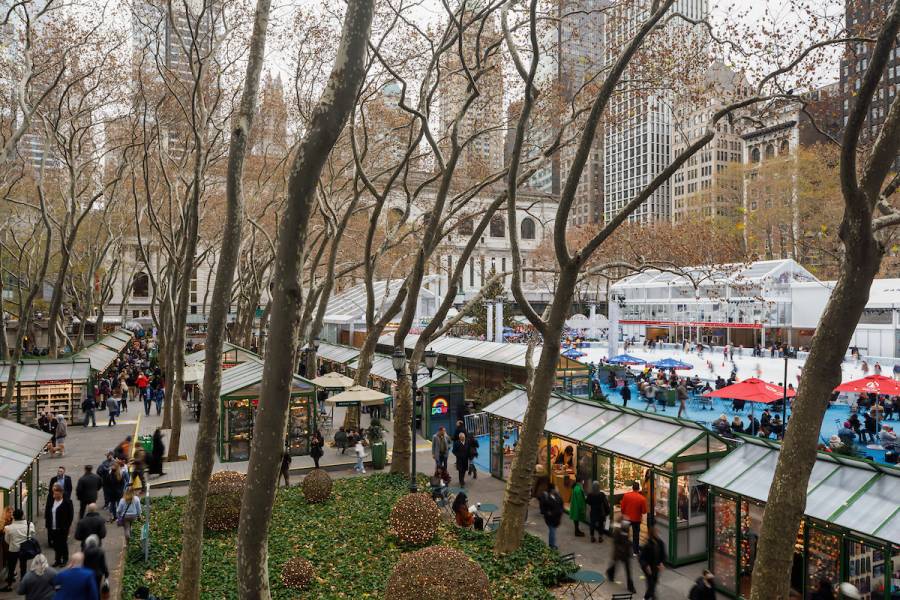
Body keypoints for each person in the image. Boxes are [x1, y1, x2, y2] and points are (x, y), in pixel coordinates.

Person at [1, 508, 33, 590]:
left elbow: (6, 540)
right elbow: (32, 535)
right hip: (25, 549)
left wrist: (13, 544)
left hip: (13, 549)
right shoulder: (30, 525)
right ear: (23, 515)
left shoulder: (8, 528)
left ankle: (9, 585)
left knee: (11, 567)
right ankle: (24, 584)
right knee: (23, 566)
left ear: (13, 517)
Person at [44, 483, 74, 567]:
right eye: (53, 493)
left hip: (62, 528)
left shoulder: (67, 502)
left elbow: (70, 516)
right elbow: (48, 513)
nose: (54, 495)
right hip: (52, 527)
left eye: (56, 493)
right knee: (56, 544)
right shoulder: (51, 501)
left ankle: (64, 559)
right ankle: (57, 560)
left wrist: (67, 527)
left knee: (63, 544)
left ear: (61, 493)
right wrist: (47, 524)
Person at [606, 517, 636, 594]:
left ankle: (630, 585)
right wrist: (622, 549)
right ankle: (610, 572)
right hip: (619, 552)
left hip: (625, 553)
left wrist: (629, 545)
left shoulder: (625, 530)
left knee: (627, 569)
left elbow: (627, 539)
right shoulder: (617, 531)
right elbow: (616, 543)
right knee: (615, 564)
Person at [639, 525, 667, 599]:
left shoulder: (660, 543)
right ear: (653, 534)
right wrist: (646, 566)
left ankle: (647, 597)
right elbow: (641, 558)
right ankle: (649, 597)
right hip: (648, 569)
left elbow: (663, 555)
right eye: (656, 533)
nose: (658, 534)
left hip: (656, 567)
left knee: (653, 584)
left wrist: (662, 563)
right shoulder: (647, 545)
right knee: (651, 584)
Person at [620, 481, 648, 555]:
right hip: (636, 519)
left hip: (627, 518)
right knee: (636, 535)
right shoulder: (642, 499)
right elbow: (644, 511)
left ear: (632, 488)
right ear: (639, 489)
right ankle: (635, 551)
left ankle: (624, 549)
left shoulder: (626, 496)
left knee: (625, 533)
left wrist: (623, 514)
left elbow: (622, 507)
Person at [539, 482, 564, 549]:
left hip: (556, 518)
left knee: (553, 531)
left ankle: (551, 544)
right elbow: (542, 508)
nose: (557, 489)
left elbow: (561, 505)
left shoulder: (557, 496)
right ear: (552, 489)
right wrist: (547, 513)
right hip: (550, 519)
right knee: (552, 531)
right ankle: (552, 545)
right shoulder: (546, 497)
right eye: (556, 488)